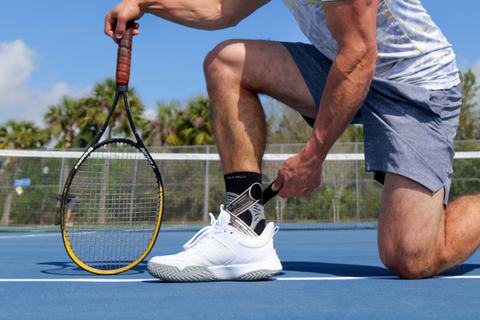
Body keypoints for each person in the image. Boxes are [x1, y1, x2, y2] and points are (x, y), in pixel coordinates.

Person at [104, 0, 476, 281]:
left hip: (415, 87)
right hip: (343, 64)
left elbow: (360, 54)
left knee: (411, 258)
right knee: (226, 62)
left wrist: (312, 157)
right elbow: (220, 9)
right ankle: (244, 227)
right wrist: (145, 3)